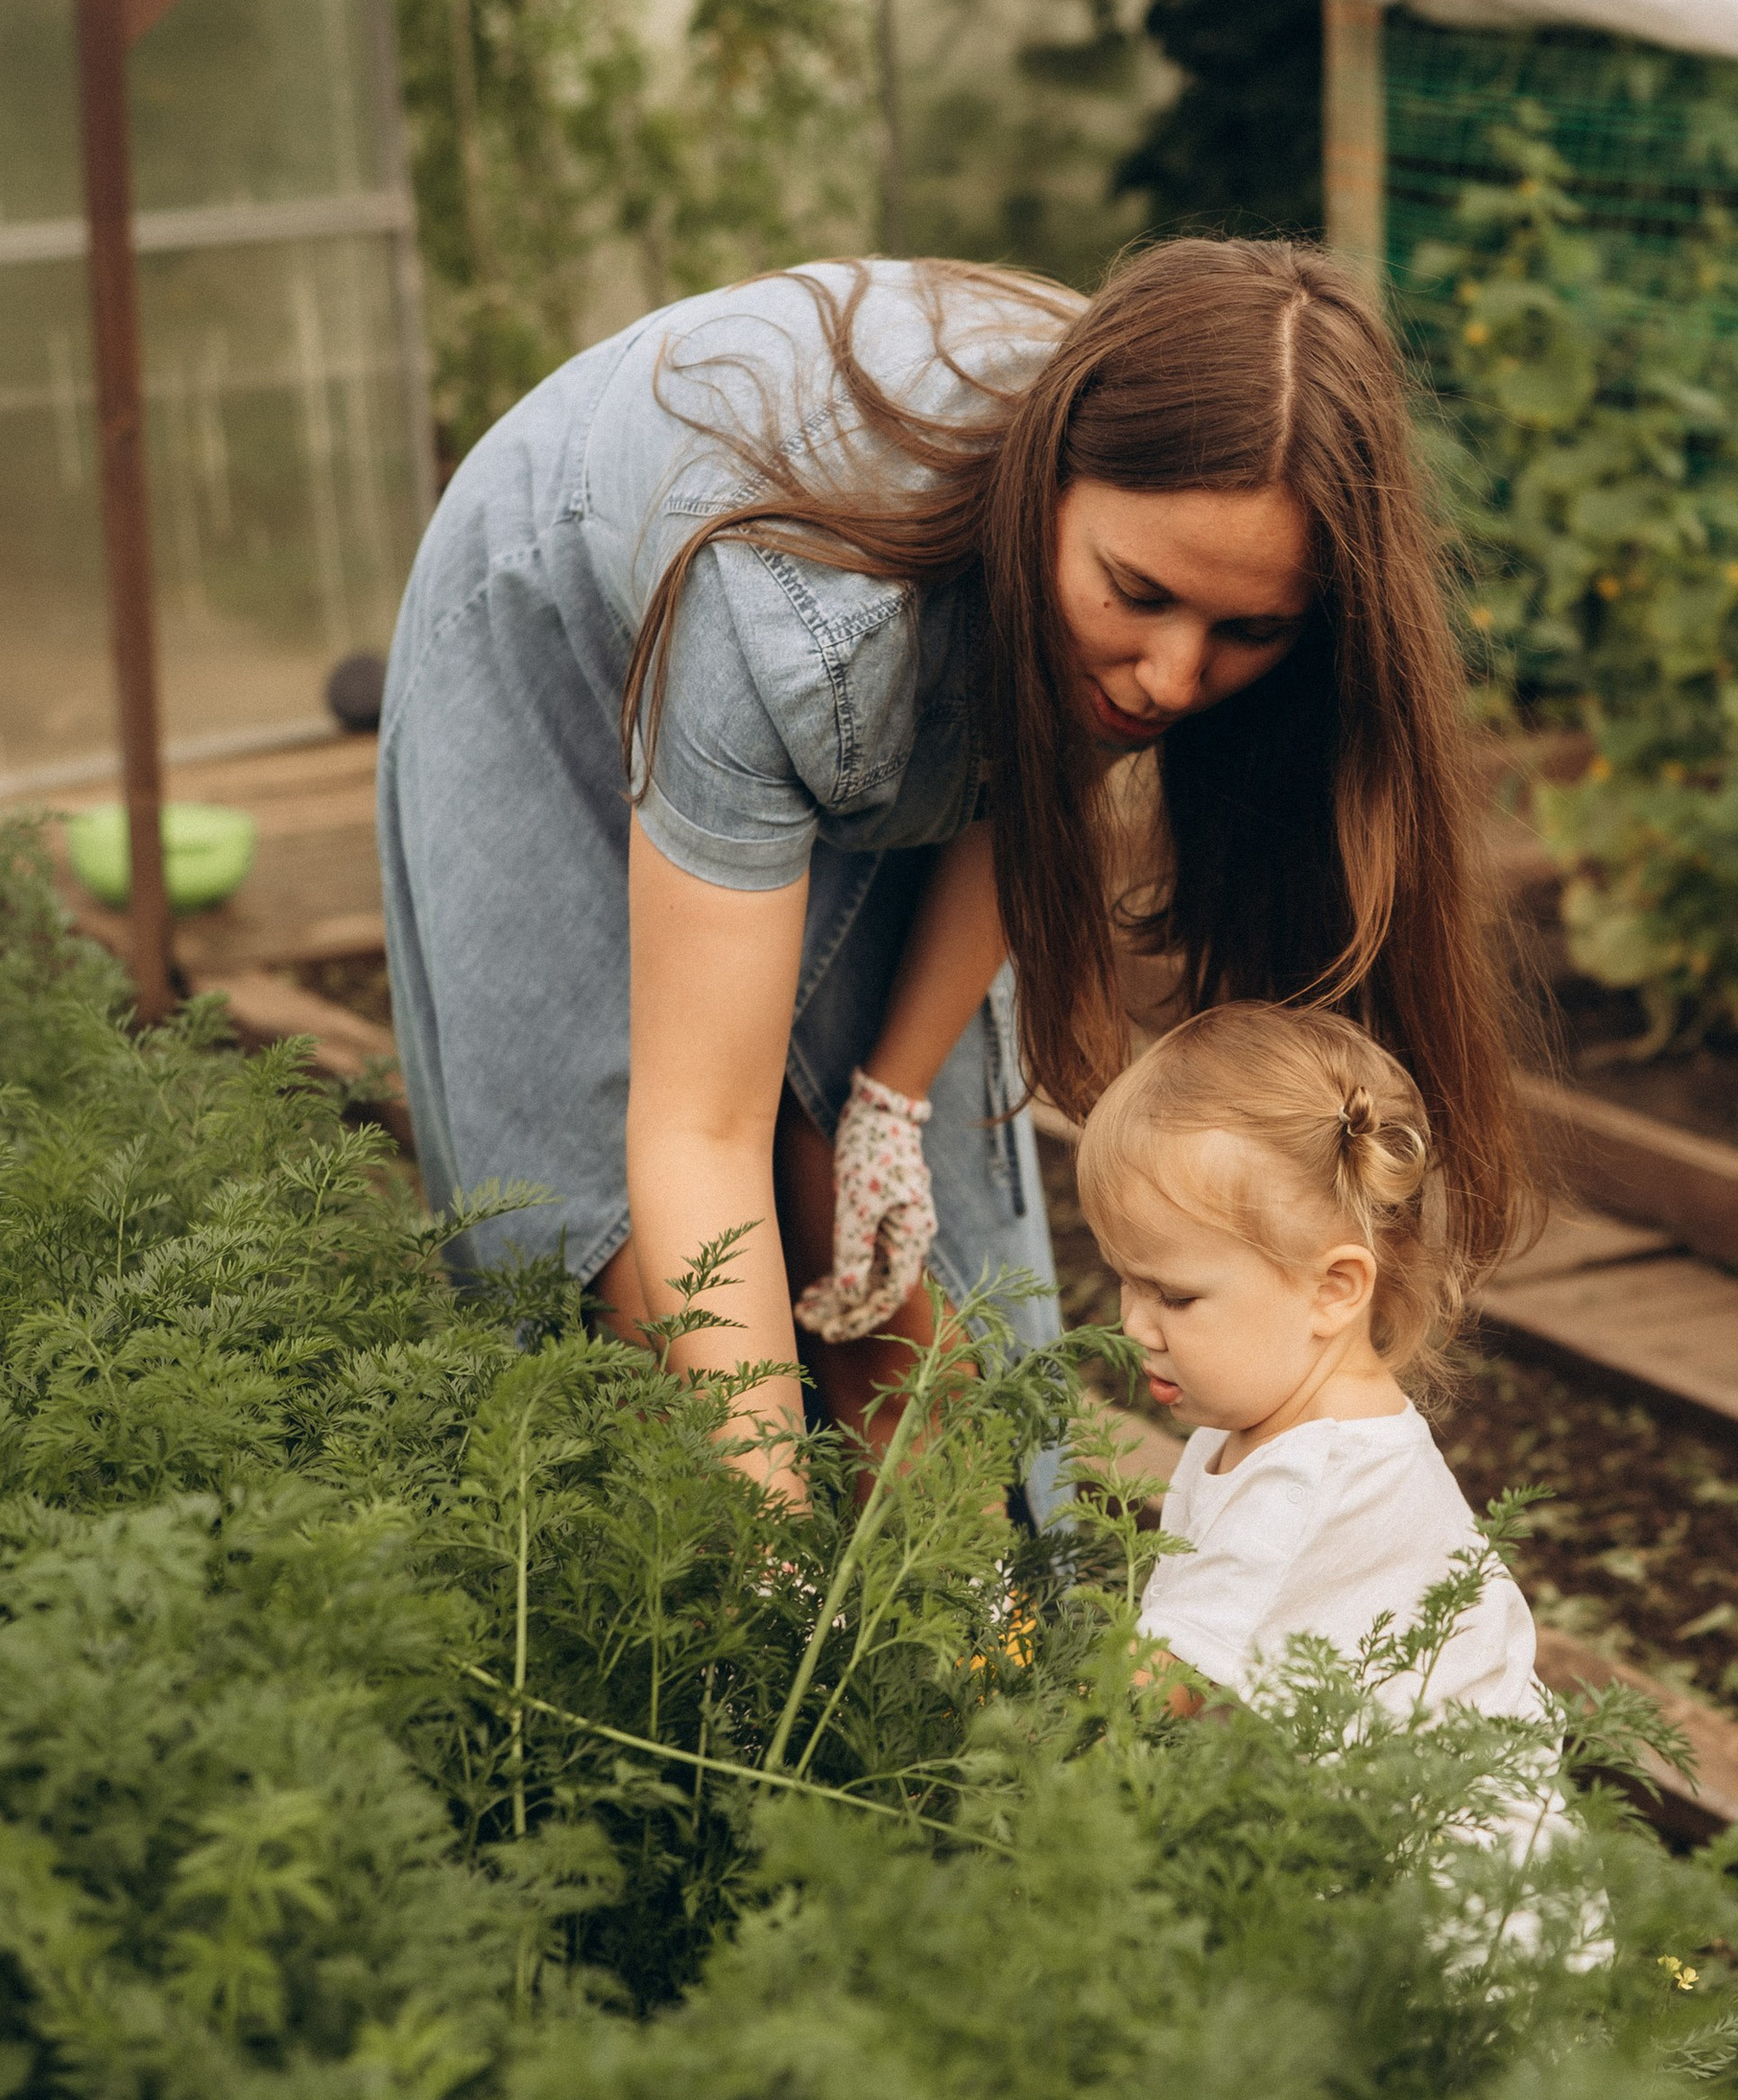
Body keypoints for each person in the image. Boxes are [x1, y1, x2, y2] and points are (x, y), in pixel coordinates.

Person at [378, 243, 1535, 1494]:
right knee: (635, 1266)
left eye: (1246, 631)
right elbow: (695, 1129)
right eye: (1137, 596)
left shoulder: (1169, 494)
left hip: (845, 607)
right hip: (555, 634)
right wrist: (760, 1544)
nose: (1173, 677)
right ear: (1042, 492)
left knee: (883, 1231)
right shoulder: (801, 620)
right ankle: (742, 1604)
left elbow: (1027, 788)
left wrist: (890, 1098)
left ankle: (961, 1632)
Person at [1073, 1003, 1548, 1721]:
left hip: (1432, 1829)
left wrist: (1007, 1683)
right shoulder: (1256, 1413)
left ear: (1332, 1290)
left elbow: (1137, 1705)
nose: (1132, 1322)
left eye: (1172, 1294)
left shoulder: (1302, 1487)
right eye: (1126, 1277)